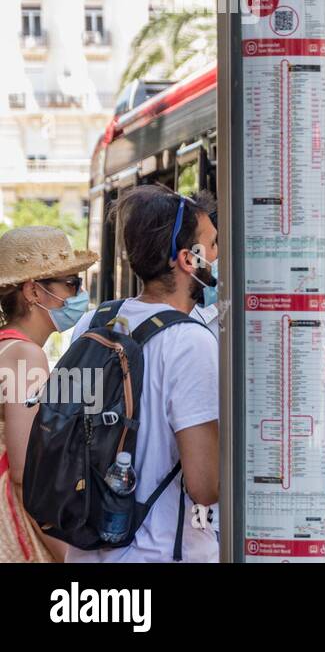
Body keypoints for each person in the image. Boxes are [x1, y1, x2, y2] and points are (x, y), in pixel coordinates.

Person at [65, 185, 220, 562]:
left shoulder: (95, 321)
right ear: (188, 259)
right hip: (160, 552)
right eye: (212, 245)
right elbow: (205, 485)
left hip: (88, 553)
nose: (218, 256)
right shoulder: (190, 342)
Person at [0, 226, 99, 561]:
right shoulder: (25, 355)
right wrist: (67, 552)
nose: (79, 293)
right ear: (33, 291)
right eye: (71, 283)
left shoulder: (7, 346)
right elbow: (24, 472)